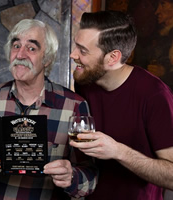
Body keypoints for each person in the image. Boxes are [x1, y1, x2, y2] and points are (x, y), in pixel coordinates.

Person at [0, 19, 98, 199]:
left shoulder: (74, 106)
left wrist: (71, 176)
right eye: (16, 46)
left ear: (47, 58)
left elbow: (90, 179)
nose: (20, 55)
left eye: (31, 48)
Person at [70, 10, 173, 200]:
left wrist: (118, 151)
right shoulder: (85, 82)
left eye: (82, 50)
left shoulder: (155, 95)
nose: (72, 55)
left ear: (112, 58)